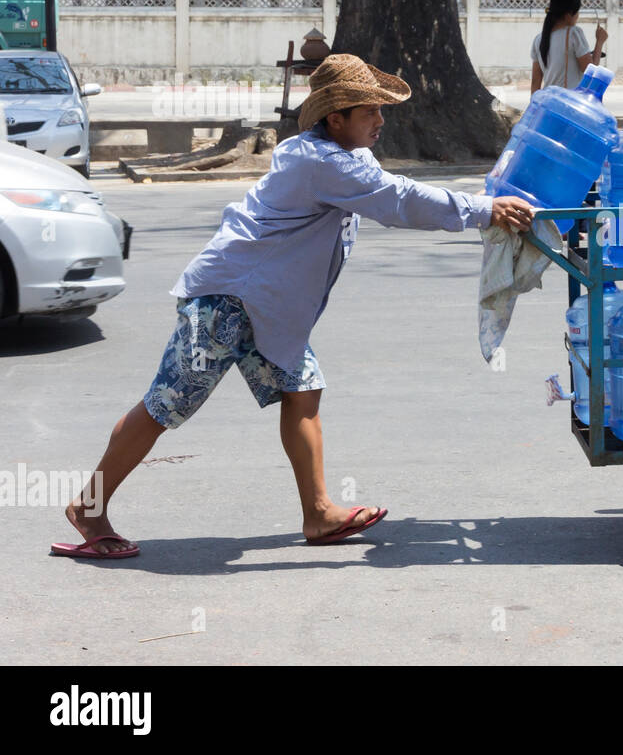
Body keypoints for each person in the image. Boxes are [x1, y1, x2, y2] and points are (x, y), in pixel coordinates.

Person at [51, 54, 534, 558]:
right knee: (165, 405)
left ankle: (319, 514)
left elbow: (395, 192)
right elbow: (399, 200)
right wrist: (483, 210)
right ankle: (88, 506)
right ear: (336, 118)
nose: (381, 120)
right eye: (370, 111)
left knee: (304, 391)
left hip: (269, 310)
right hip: (229, 300)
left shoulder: (344, 157)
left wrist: (483, 202)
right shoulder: (318, 162)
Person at [530, 0, 608, 94]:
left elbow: (535, 82)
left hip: (549, 101)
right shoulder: (574, 33)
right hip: (569, 102)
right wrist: (600, 41)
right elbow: (590, 73)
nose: (578, 16)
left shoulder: (538, 39)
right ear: (568, 15)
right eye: (577, 12)